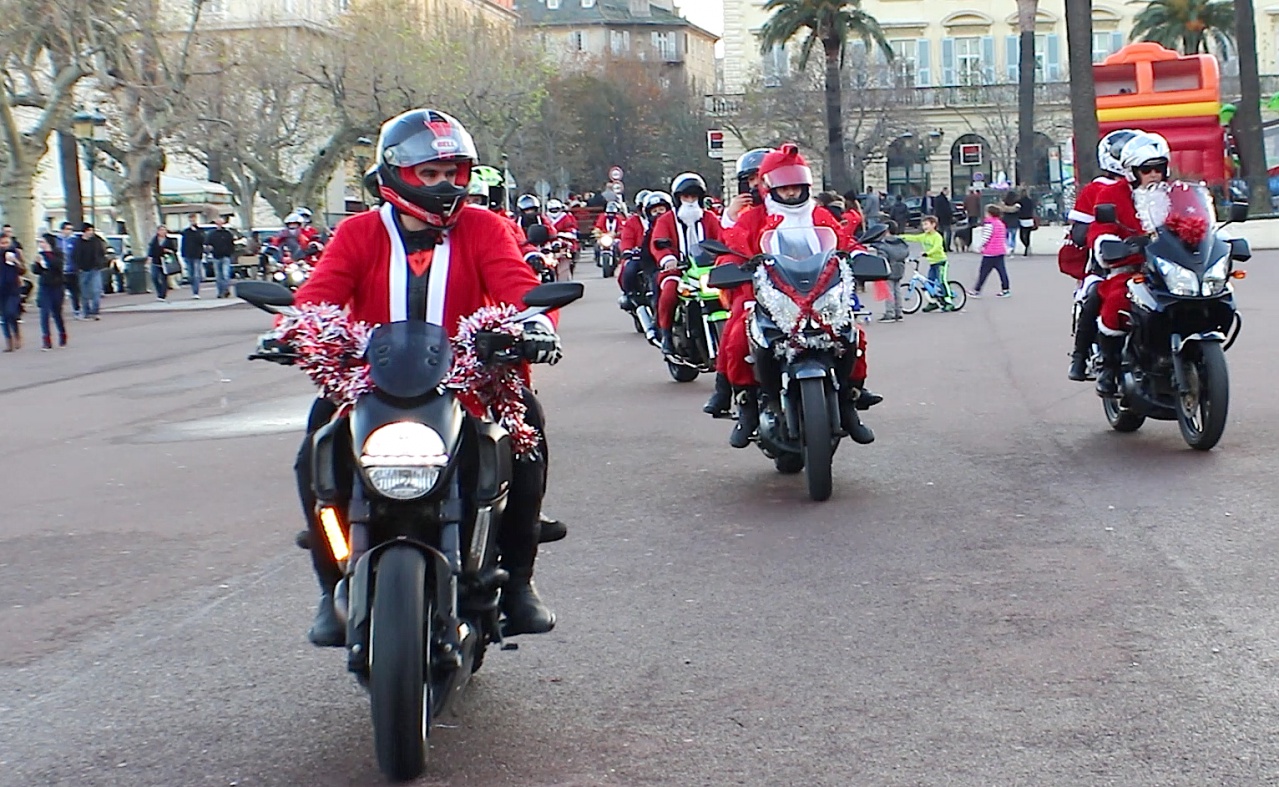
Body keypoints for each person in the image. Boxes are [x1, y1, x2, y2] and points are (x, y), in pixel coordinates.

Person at [289, 108, 563, 646]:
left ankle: (519, 586)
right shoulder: (358, 232)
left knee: (527, 431)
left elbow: (519, 288)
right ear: (395, 174)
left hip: (470, 383)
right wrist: (297, 330)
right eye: (429, 174)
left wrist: (534, 326)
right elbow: (316, 297)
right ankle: (330, 587)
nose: (444, 185)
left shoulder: (486, 228)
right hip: (371, 385)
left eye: (452, 173)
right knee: (314, 447)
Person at [719, 144, 879, 447]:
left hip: (818, 296)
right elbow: (733, 246)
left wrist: (860, 254)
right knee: (740, 336)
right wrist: (733, 268)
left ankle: (849, 401)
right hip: (771, 296)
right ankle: (748, 407)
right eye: (785, 188)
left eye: (796, 188)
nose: (791, 194)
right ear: (772, 188)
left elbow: (842, 242)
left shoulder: (819, 214)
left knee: (853, 335)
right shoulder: (753, 217)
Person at [1086, 131, 1171, 396]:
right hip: (1132, 268)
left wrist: (1216, 238)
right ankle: (1108, 366)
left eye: (1160, 168)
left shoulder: (1175, 192)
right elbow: (1100, 229)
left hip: (1171, 269)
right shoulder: (1112, 194)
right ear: (1133, 171)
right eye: (1147, 169)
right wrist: (1112, 244)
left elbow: (1197, 219)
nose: (1155, 174)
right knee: (1117, 300)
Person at [1066, 129, 1139, 381]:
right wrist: (1105, 240)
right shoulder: (1096, 189)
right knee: (1093, 293)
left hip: (1146, 257)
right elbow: (1079, 232)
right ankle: (1079, 356)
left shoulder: (1149, 186)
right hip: (1104, 261)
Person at [649, 172, 723, 358]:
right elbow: (658, 242)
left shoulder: (710, 218)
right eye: (685, 196)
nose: (690, 201)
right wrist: (668, 259)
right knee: (669, 290)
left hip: (707, 271)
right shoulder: (666, 219)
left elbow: (723, 240)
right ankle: (665, 333)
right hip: (678, 270)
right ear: (677, 198)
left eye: (694, 196)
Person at [900, 215, 953, 311]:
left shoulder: (937, 236)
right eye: (923, 225)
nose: (924, 227)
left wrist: (928, 253)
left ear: (933, 225)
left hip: (940, 262)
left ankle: (948, 301)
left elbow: (937, 247)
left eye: (926, 224)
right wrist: (899, 237)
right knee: (929, 282)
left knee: (942, 281)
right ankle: (932, 302)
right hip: (932, 263)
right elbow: (913, 238)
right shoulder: (924, 236)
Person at [722, 148, 771, 230]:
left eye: (761, 177)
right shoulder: (743, 211)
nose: (756, 183)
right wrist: (731, 216)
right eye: (751, 179)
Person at [32, 234, 67, 349]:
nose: (41, 244)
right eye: (40, 242)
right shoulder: (40, 255)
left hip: (57, 286)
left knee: (56, 313)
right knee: (44, 313)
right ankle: (46, 339)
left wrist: (45, 263)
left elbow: (58, 267)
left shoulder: (58, 254)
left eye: (43, 242)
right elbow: (35, 271)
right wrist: (37, 264)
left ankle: (62, 333)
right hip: (45, 287)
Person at [970, 204, 1011, 297]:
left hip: (990, 252)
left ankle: (977, 290)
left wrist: (980, 246)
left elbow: (986, 237)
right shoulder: (1001, 224)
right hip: (1000, 251)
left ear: (989, 213)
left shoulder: (989, 224)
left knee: (983, 272)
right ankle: (1006, 289)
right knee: (1002, 271)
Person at [72, 223, 108, 319]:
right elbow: (74, 255)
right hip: (83, 270)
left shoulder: (96, 241)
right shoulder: (78, 242)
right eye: (89, 230)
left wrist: (101, 262)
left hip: (95, 268)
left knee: (96, 290)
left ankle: (95, 310)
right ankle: (86, 311)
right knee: (84, 292)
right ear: (85, 231)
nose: (91, 232)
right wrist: (78, 267)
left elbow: (102, 252)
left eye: (92, 230)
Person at [207, 215, 238, 299]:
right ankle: (220, 292)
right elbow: (208, 245)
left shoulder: (227, 233)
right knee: (218, 276)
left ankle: (225, 290)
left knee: (225, 274)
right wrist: (210, 251)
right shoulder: (212, 234)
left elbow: (232, 244)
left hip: (225, 256)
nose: (219, 224)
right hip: (216, 256)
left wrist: (230, 253)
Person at [0, 250, 24, 351]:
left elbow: (23, 270)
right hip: (1, 291)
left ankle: (16, 334)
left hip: (13, 291)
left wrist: (15, 261)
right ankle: (9, 341)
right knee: (4, 317)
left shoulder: (14, 253)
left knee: (11, 312)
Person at [147, 225, 179, 300]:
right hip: (156, 261)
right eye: (161, 230)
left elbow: (174, 250)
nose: (163, 232)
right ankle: (159, 292)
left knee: (164, 278)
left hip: (165, 261)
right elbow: (151, 250)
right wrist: (149, 259)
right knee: (154, 277)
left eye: (164, 230)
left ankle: (162, 295)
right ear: (158, 231)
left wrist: (168, 251)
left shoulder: (169, 240)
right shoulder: (154, 240)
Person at [57, 222, 81, 319]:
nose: (69, 231)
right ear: (62, 230)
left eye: (71, 229)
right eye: (67, 229)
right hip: (59, 271)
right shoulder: (56, 240)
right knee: (59, 292)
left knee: (74, 292)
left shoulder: (75, 240)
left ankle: (77, 310)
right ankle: (58, 310)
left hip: (72, 270)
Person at [180, 213, 206, 298]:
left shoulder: (200, 230)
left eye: (194, 219)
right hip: (188, 255)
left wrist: (196, 231)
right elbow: (184, 243)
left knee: (196, 274)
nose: (192, 221)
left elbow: (202, 240)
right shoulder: (186, 231)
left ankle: (196, 292)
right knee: (190, 275)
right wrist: (183, 253)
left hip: (197, 255)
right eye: (191, 220)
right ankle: (193, 289)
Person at [592, 202, 624, 266]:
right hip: (604, 237)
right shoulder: (602, 217)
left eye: (612, 214)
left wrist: (617, 233)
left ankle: (619, 259)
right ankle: (597, 258)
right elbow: (598, 226)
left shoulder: (619, 218)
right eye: (609, 213)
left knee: (619, 246)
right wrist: (598, 233)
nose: (611, 215)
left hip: (615, 238)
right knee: (597, 246)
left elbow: (622, 228)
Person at [1016, 188, 1037, 255]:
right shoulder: (1030, 201)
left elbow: (1017, 209)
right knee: (1028, 235)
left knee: (1021, 236)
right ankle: (1027, 247)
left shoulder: (1019, 201)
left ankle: (1026, 246)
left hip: (1022, 219)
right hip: (1029, 218)